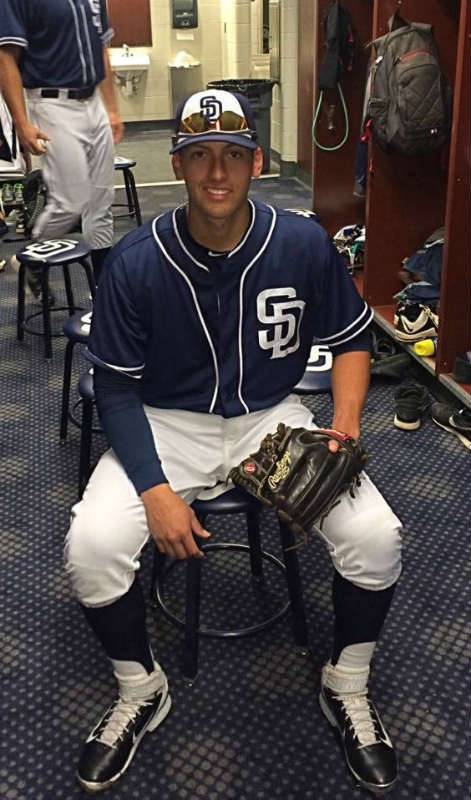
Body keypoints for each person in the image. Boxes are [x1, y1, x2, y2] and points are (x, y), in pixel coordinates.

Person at [64, 88, 402, 794]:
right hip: (165, 420)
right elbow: (118, 391)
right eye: (200, 157)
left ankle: (345, 685)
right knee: (92, 549)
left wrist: (341, 426)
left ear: (255, 164)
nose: (216, 173)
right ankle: (139, 689)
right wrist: (154, 489)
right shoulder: (135, 260)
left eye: (232, 156)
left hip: (270, 415)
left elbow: (348, 342)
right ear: (180, 165)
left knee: (374, 535)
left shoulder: (301, 241)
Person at [0, 0, 123, 284]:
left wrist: (113, 108)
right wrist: (22, 123)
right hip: (52, 103)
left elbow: (102, 50)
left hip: (93, 101)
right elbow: (6, 57)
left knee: (101, 200)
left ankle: (102, 287)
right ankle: (31, 259)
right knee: (72, 201)